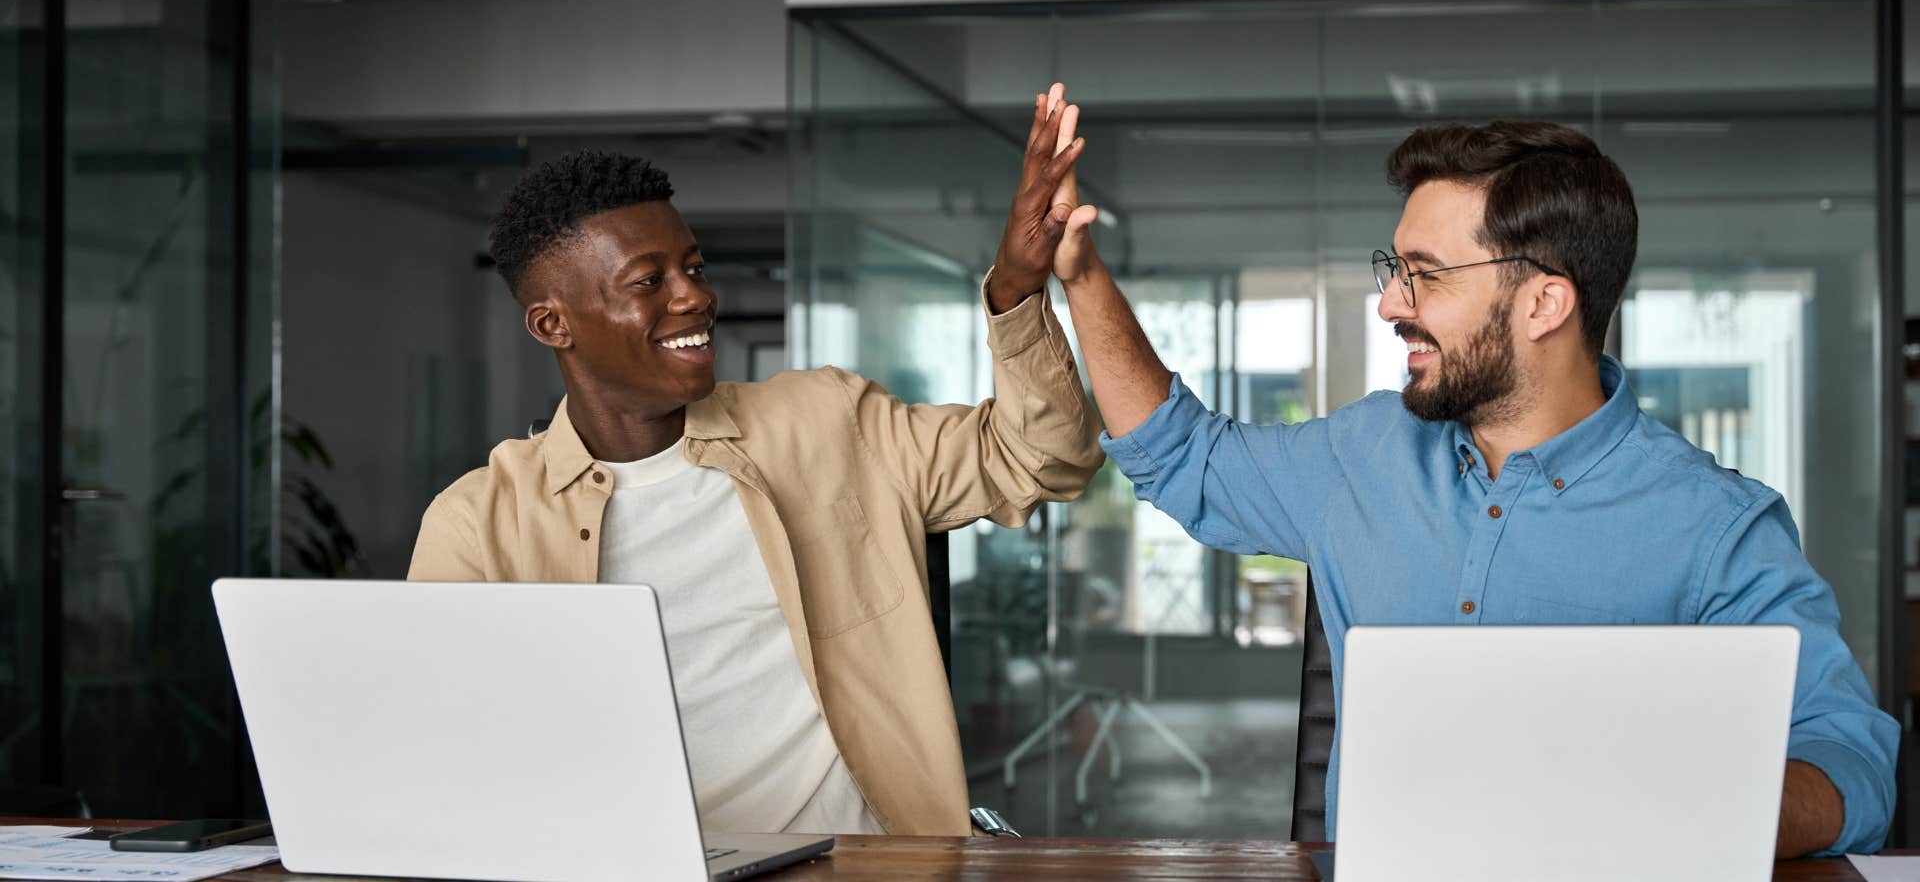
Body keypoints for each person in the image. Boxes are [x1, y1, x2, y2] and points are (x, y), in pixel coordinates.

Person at [1039, 88, 1898, 858]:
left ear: (1544, 303)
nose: (1391, 304)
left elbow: (1850, 763)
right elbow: (1183, 455)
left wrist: (1691, 805)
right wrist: (1079, 279)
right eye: (1396, 270)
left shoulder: (1717, 529)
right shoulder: (1361, 455)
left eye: (1428, 276)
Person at [408, 87, 1104, 836]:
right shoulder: (477, 525)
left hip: (862, 864)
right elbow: (443, 752)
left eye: (694, 268)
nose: (696, 298)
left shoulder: (828, 422)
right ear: (553, 324)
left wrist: (1016, 289)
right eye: (650, 282)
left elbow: (1045, 458)